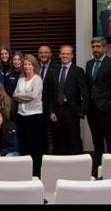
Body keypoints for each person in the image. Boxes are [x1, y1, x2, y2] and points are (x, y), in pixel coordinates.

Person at [47, 45, 89, 156]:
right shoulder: (54, 70)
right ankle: (62, 168)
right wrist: (51, 111)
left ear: (72, 56)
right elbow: (51, 94)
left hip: (72, 110)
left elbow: (85, 93)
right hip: (57, 110)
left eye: (67, 54)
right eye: (63, 53)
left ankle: (79, 167)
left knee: (74, 140)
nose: (65, 56)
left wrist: (82, 110)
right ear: (59, 55)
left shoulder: (78, 71)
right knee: (60, 140)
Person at [13, 54, 43, 176]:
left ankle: (36, 172)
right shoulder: (20, 79)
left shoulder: (37, 79)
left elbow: (33, 95)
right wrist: (22, 96)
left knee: (34, 145)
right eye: (25, 64)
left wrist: (20, 96)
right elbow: (14, 94)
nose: (27, 66)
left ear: (34, 65)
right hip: (22, 115)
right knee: (24, 143)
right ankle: (25, 172)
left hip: (34, 115)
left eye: (29, 64)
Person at [85, 37, 111, 175]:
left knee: (110, 140)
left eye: (98, 46)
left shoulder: (110, 63)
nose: (95, 49)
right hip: (92, 109)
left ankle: (109, 170)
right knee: (97, 141)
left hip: (107, 110)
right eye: (93, 47)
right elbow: (89, 86)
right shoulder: (89, 64)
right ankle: (97, 169)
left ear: (105, 48)